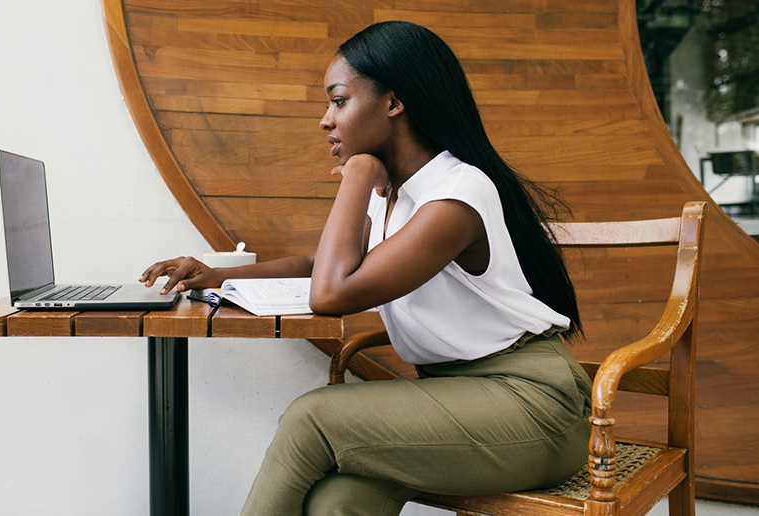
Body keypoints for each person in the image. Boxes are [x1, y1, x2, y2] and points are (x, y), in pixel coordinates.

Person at [140, 20, 591, 516]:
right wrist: (217, 277)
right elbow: (320, 265)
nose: (325, 120)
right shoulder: (395, 192)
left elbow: (331, 293)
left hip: (532, 408)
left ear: (394, 103)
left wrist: (357, 174)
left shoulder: (457, 194)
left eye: (339, 101)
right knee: (338, 502)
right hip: (456, 393)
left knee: (312, 418)